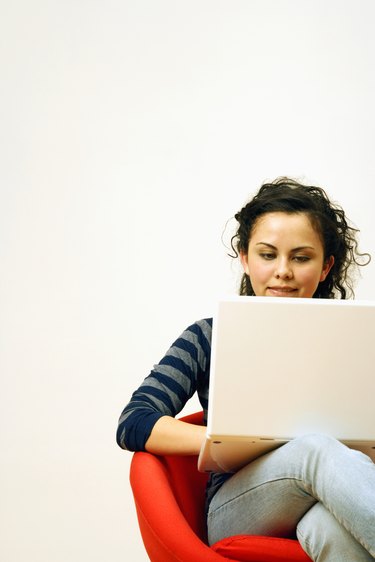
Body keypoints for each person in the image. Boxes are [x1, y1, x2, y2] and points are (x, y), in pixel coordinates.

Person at [117, 177, 374, 561]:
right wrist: (221, 441)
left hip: (334, 496)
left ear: (325, 267)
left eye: (301, 258)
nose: (282, 271)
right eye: (268, 254)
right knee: (313, 448)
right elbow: (134, 422)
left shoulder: (358, 340)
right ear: (245, 257)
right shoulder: (209, 335)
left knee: (329, 529)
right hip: (239, 507)